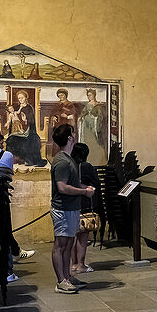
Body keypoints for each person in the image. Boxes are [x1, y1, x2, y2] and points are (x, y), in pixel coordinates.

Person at [0, 126, 35, 282]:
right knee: (4, 233)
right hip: (0, 200)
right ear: (0, 140)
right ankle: (8, 271)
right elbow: (8, 177)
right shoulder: (7, 156)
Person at [49, 125, 95, 294]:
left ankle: (67, 277)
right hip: (63, 209)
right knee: (60, 245)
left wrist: (85, 187)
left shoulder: (68, 159)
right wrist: (84, 192)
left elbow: (72, 184)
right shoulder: (61, 161)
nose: (75, 136)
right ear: (69, 138)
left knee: (68, 244)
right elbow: (62, 187)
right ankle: (61, 281)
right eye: (73, 133)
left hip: (71, 208)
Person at [70, 142, 98, 275]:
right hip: (84, 202)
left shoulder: (69, 164)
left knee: (73, 234)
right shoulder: (86, 166)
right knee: (83, 234)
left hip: (71, 202)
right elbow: (95, 182)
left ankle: (73, 263)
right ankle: (81, 264)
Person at [78, 89, 106, 165]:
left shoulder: (98, 105)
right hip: (86, 123)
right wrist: (81, 117)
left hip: (94, 123)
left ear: (94, 95)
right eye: (88, 95)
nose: (89, 97)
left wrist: (95, 118)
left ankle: (95, 157)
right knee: (87, 138)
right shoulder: (87, 105)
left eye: (90, 95)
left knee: (94, 139)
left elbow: (100, 115)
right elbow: (83, 113)